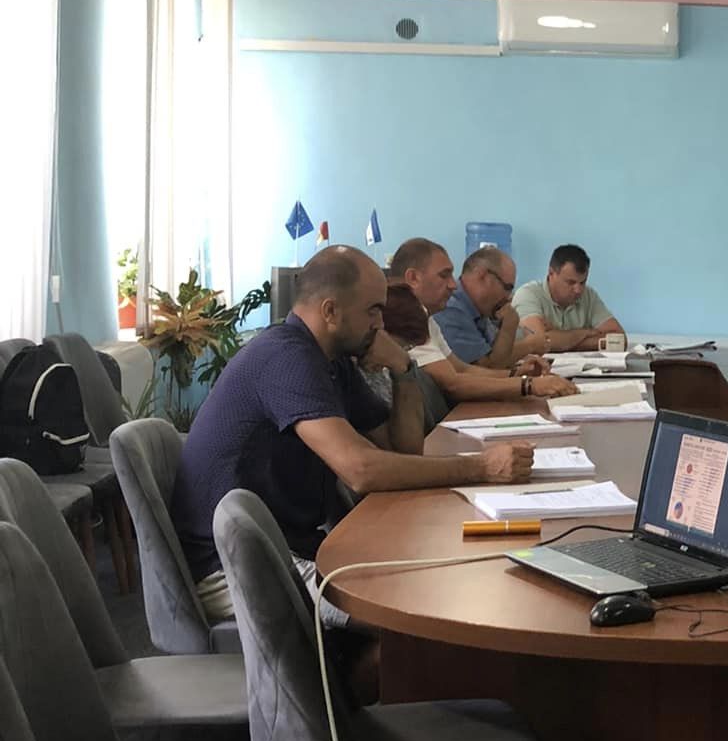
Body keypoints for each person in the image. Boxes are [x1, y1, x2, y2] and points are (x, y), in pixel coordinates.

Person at [173, 247, 535, 625]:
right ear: (331, 311)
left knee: (431, 581)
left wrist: (403, 367)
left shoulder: (332, 358)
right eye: (373, 310)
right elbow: (361, 470)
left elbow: (404, 450)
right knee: (410, 615)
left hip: (291, 545)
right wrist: (481, 467)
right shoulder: (286, 356)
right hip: (234, 566)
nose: (381, 322)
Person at [388, 240, 576, 403]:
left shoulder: (427, 317)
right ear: (413, 278)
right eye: (444, 275)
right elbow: (453, 383)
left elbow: (462, 369)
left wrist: (515, 374)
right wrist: (529, 385)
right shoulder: (403, 318)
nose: (452, 285)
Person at [435, 245, 550, 374]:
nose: (509, 297)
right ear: (483, 276)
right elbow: (487, 368)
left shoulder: (480, 308)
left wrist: (520, 370)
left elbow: (497, 357)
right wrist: (512, 329)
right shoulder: (451, 309)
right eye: (507, 287)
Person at [512, 243, 625, 350]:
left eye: (582, 282)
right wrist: (585, 332)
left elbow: (620, 339)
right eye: (570, 282)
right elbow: (539, 342)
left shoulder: (588, 295)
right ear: (551, 273)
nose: (578, 290)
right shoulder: (527, 294)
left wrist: (562, 339)